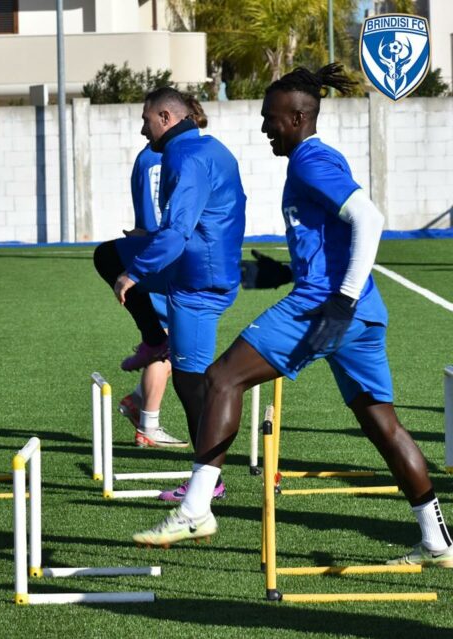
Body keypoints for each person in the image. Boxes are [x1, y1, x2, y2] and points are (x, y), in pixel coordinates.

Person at [132, 66, 453, 569]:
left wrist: (340, 300)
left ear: (299, 117)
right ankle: (436, 541)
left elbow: (370, 219)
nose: (265, 128)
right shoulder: (314, 160)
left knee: (220, 379)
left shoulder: (310, 162)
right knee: (383, 426)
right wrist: (281, 272)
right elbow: (333, 238)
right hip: (361, 311)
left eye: (271, 119)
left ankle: (195, 508)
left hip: (328, 306)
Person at [93, 88, 246, 501]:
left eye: (145, 120)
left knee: (192, 383)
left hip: (200, 281)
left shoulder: (185, 157)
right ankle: (154, 340)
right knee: (107, 255)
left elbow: (178, 231)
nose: (142, 129)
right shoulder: (205, 148)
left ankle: (209, 481)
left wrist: (135, 274)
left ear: (164, 117)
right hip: (191, 262)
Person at [117, 94, 211, 451]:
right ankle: (148, 424)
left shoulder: (160, 157)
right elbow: (160, 223)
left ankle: (139, 400)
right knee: (170, 343)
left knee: (171, 340)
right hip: (165, 261)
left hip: (163, 256)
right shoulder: (159, 159)